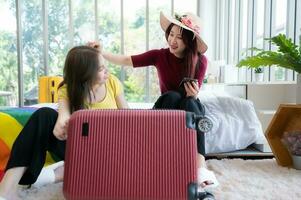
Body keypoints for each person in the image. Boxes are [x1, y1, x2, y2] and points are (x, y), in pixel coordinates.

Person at [88, 11, 219, 189]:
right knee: (172, 96)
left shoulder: (200, 61)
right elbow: (127, 60)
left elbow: (195, 93)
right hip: (166, 108)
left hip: (189, 109)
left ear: (189, 40)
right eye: (171, 34)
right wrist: (102, 53)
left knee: (191, 103)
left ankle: (200, 167)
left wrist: (193, 95)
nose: (173, 40)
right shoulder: (160, 55)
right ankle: (165, 158)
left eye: (179, 37)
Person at [0, 45, 128, 200]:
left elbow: (128, 118)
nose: (107, 71)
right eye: (101, 69)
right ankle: (7, 190)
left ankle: (59, 174)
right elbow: (63, 114)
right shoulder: (68, 89)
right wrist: (62, 123)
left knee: (73, 169)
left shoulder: (112, 82)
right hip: (81, 149)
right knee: (44, 115)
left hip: (111, 151)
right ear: (85, 73)